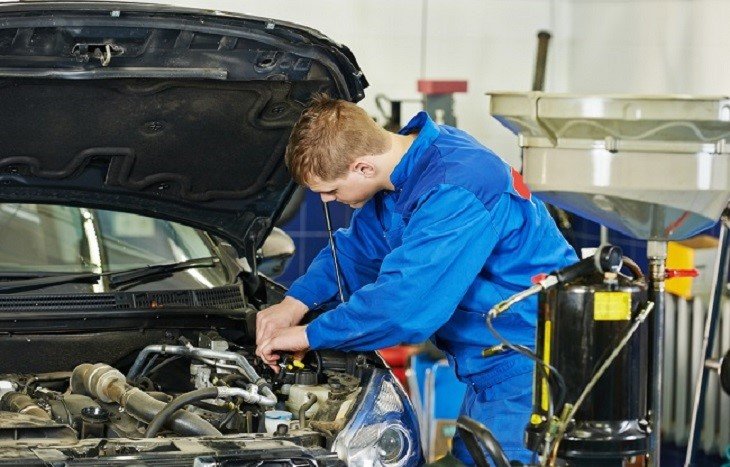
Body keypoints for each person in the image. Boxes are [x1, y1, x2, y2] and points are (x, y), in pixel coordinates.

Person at [255, 94, 577, 464]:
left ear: (362, 168)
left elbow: (403, 308)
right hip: (489, 367)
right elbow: (356, 251)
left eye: (330, 190)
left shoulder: (456, 186)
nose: (327, 201)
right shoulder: (406, 173)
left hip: (532, 371)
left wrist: (308, 335)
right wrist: (292, 305)